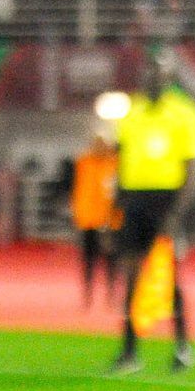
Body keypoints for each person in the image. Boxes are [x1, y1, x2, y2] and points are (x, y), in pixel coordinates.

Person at [111, 50, 195, 375]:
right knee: (132, 274)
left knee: (171, 275)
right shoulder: (131, 112)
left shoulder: (184, 113)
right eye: (149, 71)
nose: (153, 77)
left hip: (166, 201)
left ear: (170, 78)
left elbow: (192, 167)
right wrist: (118, 205)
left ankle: (181, 347)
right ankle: (129, 350)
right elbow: (122, 160)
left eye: (160, 72)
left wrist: (177, 212)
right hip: (135, 200)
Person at [70, 131, 121, 307]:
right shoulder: (84, 163)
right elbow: (79, 190)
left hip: (110, 220)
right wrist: (78, 214)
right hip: (89, 219)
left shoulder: (115, 164)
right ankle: (88, 295)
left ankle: (111, 294)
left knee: (111, 260)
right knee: (88, 259)